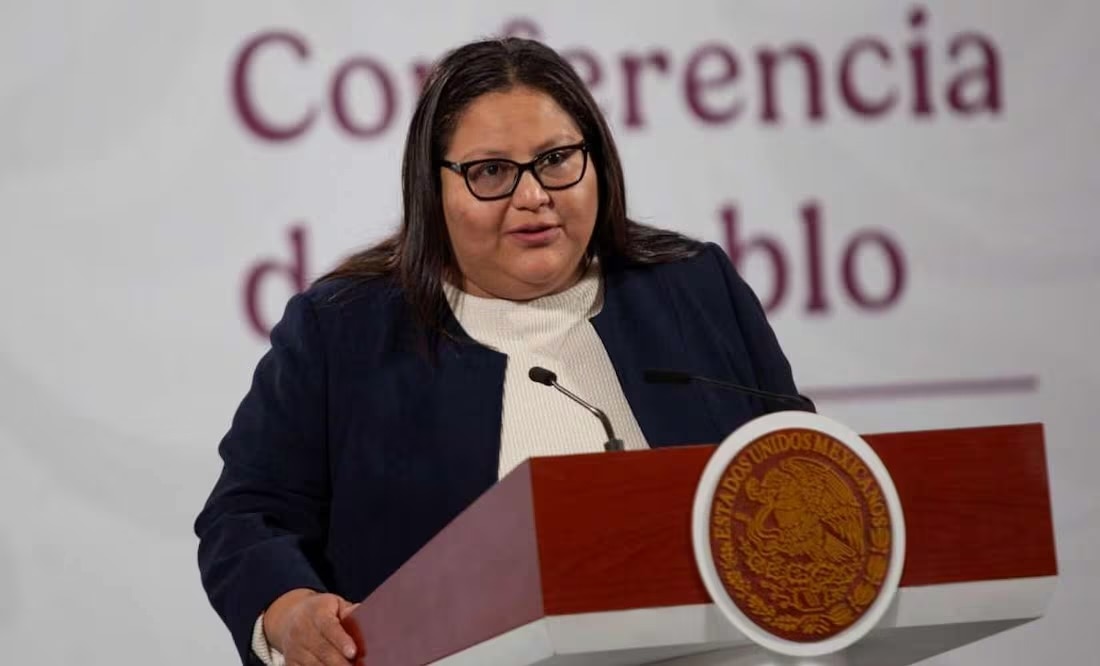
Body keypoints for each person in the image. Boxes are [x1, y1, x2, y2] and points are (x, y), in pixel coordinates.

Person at [195, 36, 803, 666]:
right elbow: (246, 516)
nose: (533, 195)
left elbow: (801, 469)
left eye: (557, 159)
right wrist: (290, 610)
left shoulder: (695, 289)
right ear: (433, 190)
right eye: (491, 173)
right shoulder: (344, 330)